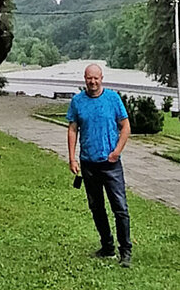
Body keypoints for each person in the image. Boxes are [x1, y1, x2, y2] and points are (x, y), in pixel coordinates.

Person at [67, 62, 132, 267]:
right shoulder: (77, 101)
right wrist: (72, 157)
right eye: (89, 78)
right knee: (97, 207)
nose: (92, 82)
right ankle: (107, 246)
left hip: (111, 163)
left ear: (102, 78)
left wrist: (117, 151)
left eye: (96, 78)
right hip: (88, 164)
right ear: (84, 79)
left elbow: (126, 126)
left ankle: (126, 250)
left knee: (119, 208)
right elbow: (72, 129)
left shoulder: (113, 99)